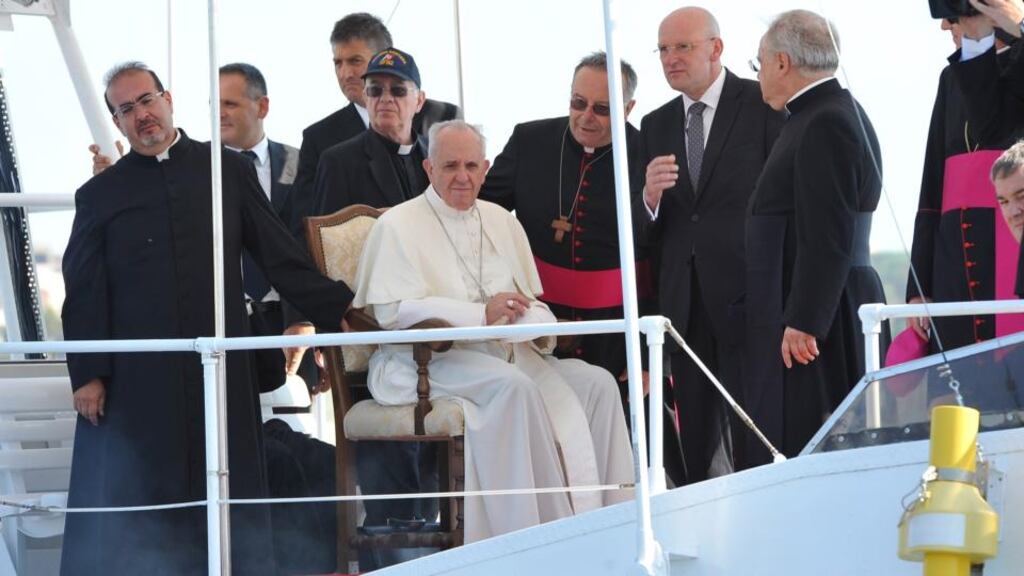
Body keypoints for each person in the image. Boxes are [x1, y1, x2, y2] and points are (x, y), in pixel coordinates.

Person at [61, 61, 354, 576]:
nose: (141, 115)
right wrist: (88, 372)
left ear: (168, 98)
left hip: (219, 373)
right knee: (148, 505)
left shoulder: (227, 170)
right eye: (126, 109)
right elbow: (83, 288)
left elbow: (279, 255)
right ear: (118, 122)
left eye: (146, 100)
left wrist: (341, 310)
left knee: (227, 492)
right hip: (140, 382)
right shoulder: (100, 195)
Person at [352, 120, 634, 542]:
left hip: (504, 353)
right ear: (428, 168)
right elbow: (395, 311)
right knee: (513, 389)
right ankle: (533, 539)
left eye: (471, 166)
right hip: (427, 360)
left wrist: (531, 322)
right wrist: (480, 314)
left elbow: (529, 299)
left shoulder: (502, 221)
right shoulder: (398, 225)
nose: (462, 177)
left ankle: (612, 527)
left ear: (486, 169)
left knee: (597, 383)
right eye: (450, 166)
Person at [479, 51, 685, 486]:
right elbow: (482, 215)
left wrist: (657, 359)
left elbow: (666, 257)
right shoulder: (530, 140)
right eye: (578, 103)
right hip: (540, 325)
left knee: (634, 443)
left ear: (628, 109)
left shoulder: (647, 152)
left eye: (602, 108)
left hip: (617, 329)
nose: (586, 117)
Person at [637, 6, 785, 481]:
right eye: (663, 49)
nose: (671, 59)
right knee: (697, 443)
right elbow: (650, 228)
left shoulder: (761, 103)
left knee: (755, 436)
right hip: (684, 304)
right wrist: (650, 198)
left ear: (716, 48)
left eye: (683, 47)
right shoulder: (655, 124)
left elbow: (783, 199)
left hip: (749, 296)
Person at [748, 10, 888, 461]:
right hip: (823, 307)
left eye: (760, 63)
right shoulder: (823, 113)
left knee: (821, 445)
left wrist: (805, 319)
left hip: (821, 323)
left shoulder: (824, 120)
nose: (761, 76)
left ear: (783, 62)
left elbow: (827, 231)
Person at [285, 12, 460, 239]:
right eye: (338, 63)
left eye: (355, 61)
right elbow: (312, 230)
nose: (346, 74)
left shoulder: (441, 120)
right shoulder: (322, 141)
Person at [908, 13, 1024, 349]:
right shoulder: (951, 79)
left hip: (1010, 244)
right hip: (954, 261)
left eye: (954, 15)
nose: (945, 26)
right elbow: (931, 188)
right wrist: (919, 286)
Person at [313, 47, 429, 214]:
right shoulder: (338, 163)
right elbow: (329, 236)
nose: (386, 99)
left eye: (398, 90)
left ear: (419, 101)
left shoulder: (439, 154)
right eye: (375, 90)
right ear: (366, 97)